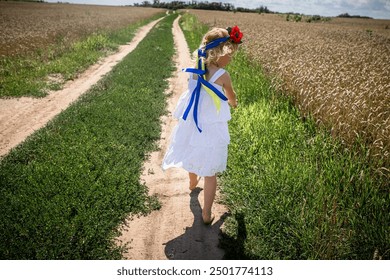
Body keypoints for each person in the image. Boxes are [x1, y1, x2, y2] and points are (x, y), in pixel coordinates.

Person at [162, 26, 243, 225]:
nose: (231, 59)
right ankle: (206, 214)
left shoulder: (195, 70)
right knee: (210, 173)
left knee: (192, 150)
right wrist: (234, 103)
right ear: (219, 53)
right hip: (211, 126)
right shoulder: (223, 75)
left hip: (193, 121)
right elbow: (231, 97)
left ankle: (191, 183)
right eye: (230, 54)